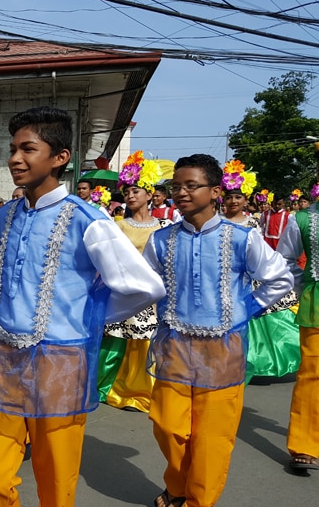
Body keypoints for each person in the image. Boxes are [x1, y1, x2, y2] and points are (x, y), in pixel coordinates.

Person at [0, 107, 165, 506]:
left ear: (60, 157)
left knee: (56, 478)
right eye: (12, 149)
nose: (15, 158)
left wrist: (88, 315)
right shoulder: (3, 217)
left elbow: (144, 286)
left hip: (61, 360)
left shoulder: (87, 220)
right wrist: (11, 294)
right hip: (4, 355)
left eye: (28, 149)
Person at [142, 154, 292, 507]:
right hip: (174, 346)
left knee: (212, 437)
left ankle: (198, 500)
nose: (180, 192)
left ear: (214, 192)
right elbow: (142, 284)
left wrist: (246, 308)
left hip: (223, 349)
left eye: (191, 186)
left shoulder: (242, 238)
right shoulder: (160, 240)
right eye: (175, 186)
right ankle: (178, 484)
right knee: (168, 426)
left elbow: (280, 279)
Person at [97, 151, 167, 413]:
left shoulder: (163, 226)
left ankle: (141, 388)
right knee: (117, 339)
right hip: (125, 289)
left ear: (150, 194)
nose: (130, 196)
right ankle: (110, 384)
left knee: (144, 341)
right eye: (127, 192)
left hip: (153, 292)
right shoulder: (118, 226)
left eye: (136, 190)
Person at [220, 161, 301, 384]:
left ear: (246, 199)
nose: (233, 201)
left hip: (251, 277)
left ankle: (259, 362)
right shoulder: (217, 223)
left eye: (238, 197)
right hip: (226, 278)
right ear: (222, 199)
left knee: (261, 318)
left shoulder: (253, 222)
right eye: (229, 197)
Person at [277, 182, 319, 473]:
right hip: (316, 301)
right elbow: (285, 259)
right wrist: (304, 284)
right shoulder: (303, 218)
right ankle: (305, 444)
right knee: (312, 373)